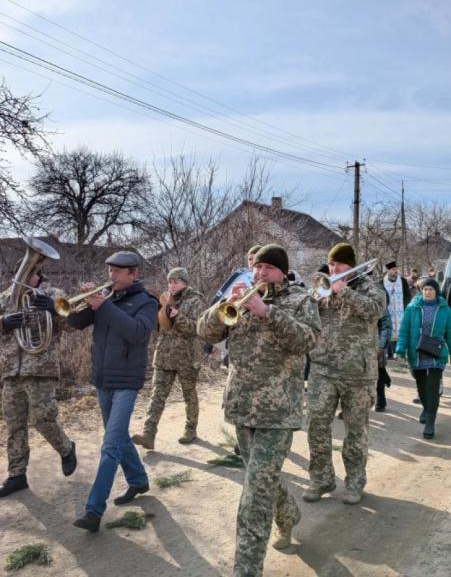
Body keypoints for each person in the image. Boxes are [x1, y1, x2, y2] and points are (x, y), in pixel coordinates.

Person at [198, 243, 321, 576]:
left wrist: (268, 313)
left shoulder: (301, 301)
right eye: (257, 267)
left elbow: (307, 341)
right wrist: (223, 305)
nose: (260, 273)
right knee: (261, 479)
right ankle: (288, 514)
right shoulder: (239, 300)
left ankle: (246, 570)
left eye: (267, 268)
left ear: (281, 271)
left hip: (279, 414)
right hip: (241, 408)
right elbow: (204, 332)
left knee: (254, 495)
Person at [70, 251, 157, 532]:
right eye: (110, 271)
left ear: (134, 274)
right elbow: (74, 324)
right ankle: (138, 480)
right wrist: (84, 304)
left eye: (118, 272)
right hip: (102, 380)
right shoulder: (106, 299)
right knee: (117, 437)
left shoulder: (146, 301)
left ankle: (94, 510)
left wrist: (103, 308)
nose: (111, 276)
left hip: (127, 382)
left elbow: (138, 333)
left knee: (110, 445)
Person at [305, 243, 386, 505]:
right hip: (323, 369)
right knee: (316, 425)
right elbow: (306, 317)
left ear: (351, 266)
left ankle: (354, 482)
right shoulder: (323, 288)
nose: (334, 269)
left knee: (355, 431)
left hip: (358, 374)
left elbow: (376, 311)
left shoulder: (370, 288)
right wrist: (313, 299)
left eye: (339, 264)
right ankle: (321, 479)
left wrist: (345, 291)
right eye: (331, 265)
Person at [0, 264, 76, 497]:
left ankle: (66, 448)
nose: (21, 277)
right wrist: (2, 323)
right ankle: (17, 475)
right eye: (19, 272)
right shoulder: (5, 297)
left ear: (38, 275)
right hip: (11, 371)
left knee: (42, 420)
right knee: (14, 425)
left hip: (41, 369)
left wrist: (54, 310)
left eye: (28, 273)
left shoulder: (54, 294)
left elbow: (73, 324)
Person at [132, 267, 205, 450]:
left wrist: (177, 315)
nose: (172, 285)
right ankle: (148, 434)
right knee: (157, 396)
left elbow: (194, 329)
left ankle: (191, 428)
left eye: (176, 281)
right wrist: (156, 313)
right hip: (164, 355)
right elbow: (158, 328)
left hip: (186, 356)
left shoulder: (195, 301)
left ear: (185, 282)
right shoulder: (164, 299)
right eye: (170, 282)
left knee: (189, 394)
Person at [395, 278, 451, 439]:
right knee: (422, 386)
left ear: (436, 291)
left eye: (430, 289)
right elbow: (404, 330)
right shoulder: (412, 308)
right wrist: (400, 350)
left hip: (436, 353)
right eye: (425, 289)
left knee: (433, 388)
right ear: (422, 291)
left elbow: (450, 333)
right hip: (416, 352)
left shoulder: (445, 310)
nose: (427, 292)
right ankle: (427, 409)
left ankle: (430, 422)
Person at [380, 261, 411, 357]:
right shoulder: (381, 282)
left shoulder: (403, 281)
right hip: (388, 312)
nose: (395, 271)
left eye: (396, 269)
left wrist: (404, 307)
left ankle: (400, 353)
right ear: (388, 270)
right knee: (389, 331)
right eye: (393, 269)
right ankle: (390, 354)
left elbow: (408, 296)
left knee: (402, 331)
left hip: (401, 312)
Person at [375, 303, 393, 412]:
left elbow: (386, 325)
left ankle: (381, 400)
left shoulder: (376, 292)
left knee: (378, 371)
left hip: (375, 342)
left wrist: (381, 345)